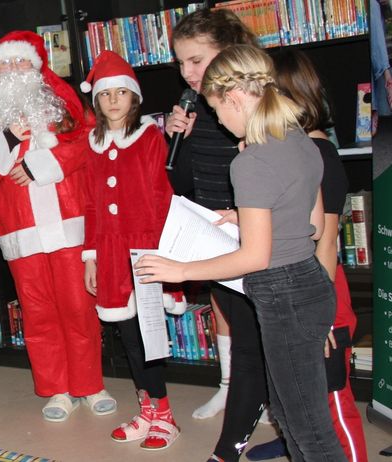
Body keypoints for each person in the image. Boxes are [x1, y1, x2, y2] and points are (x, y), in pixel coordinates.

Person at [137, 44, 346, 462]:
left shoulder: (250, 161)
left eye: (218, 111)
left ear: (233, 98)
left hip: (281, 296)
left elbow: (254, 258)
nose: (221, 121)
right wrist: (248, 215)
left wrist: (180, 269)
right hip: (311, 286)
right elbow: (314, 226)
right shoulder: (302, 140)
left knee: (309, 429)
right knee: (290, 413)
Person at [0, 30, 115, 423]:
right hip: (20, 230)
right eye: (4, 64)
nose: (13, 70)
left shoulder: (62, 102)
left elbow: (90, 143)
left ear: (36, 65)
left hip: (68, 222)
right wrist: (9, 137)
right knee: (38, 312)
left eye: (20, 61)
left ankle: (89, 384)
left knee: (79, 306)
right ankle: (57, 389)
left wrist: (42, 166)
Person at [245, 49, 369, 462]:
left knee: (333, 406)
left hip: (320, 293)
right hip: (307, 292)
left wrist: (323, 318)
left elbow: (327, 241)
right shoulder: (292, 151)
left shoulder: (318, 155)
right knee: (305, 400)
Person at [167, 15, 270, 454]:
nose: (188, 72)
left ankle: (251, 407)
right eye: (181, 63)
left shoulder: (248, 105)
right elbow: (180, 181)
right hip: (212, 227)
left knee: (256, 325)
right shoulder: (193, 104)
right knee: (229, 312)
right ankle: (235, 390)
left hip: (252, 224)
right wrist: (180, 140)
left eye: (196, 60)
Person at [79, 50, 185, 450]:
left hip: (145, 247)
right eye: (106, 94)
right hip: (108, 251)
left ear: (134, 98)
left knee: (149, 334)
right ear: (97, 101)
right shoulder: (92, 144)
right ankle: (146, 409)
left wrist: (164, 250)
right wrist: (90, 255)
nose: (113, 100)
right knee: (127, 335)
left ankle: (165, 414)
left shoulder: (149, 137)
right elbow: (91, 203)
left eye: (122, 92)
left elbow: (162, 195)